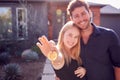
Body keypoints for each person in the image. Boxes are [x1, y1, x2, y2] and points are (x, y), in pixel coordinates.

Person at [66, 0, 120, 80]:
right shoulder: (71, 41)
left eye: (83, 14)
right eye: (76, 16)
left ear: (90, 13)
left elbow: (118, 66)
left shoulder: (109, 35)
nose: (81, 19)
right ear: (71, 19)